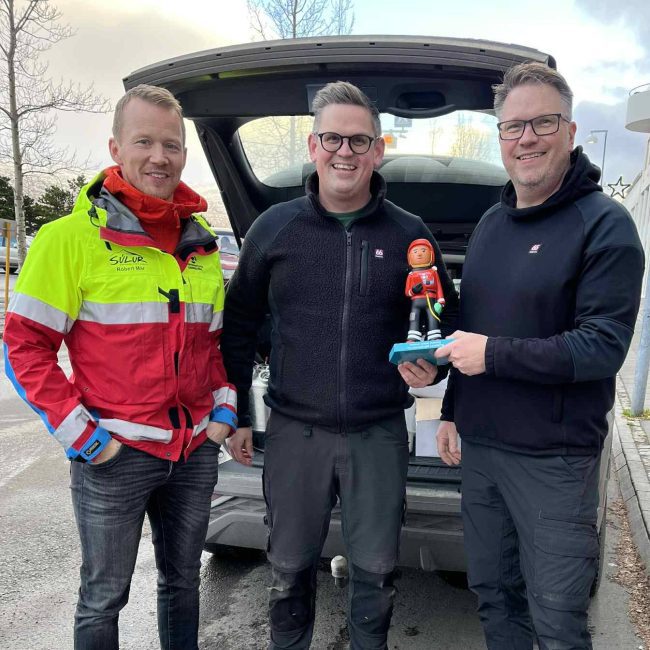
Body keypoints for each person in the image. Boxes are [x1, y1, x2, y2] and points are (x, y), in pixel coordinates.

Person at [221, 81, 458, 649]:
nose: (344, 151)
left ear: (378, 150)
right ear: (313, 145)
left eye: (359, 140)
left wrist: (434, 370)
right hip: (293, 432)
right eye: (333, 138)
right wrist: (237, 414)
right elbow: (238, 326)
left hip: (378, 433)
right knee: (287, 571)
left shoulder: (410, 235)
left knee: (375, 574)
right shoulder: (274, 229)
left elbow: (442, 325)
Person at [3, 85, 237, 650]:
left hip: (193, 450)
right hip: (114, 454)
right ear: (115, 148)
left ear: (184, 154)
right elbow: (24, 346)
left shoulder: (202, 245)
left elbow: (214, 345)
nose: (159, 156)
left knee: (182, 583)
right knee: (103, 597)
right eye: (144, 142)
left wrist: (224, 412)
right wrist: (85, 438)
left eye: (171, 145)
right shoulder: (69, 240)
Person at [435, 62, 644, 649]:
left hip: (554, 463)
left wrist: (493, 356)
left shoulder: (604, 226)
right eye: (513, 126)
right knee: (494, 597)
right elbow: (470, 329)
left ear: (570, 131)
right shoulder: (490, 224)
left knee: (556, 619)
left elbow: (601, 346)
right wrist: (451, 408)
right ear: (500, 136)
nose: (526, 138)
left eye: (542, 123)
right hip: (481, 452)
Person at [405, 238, 445, 341]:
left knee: (432, 317)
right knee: (414, 318)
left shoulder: (433, 272)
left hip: (431, 300)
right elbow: (407, 292)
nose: (419, 254)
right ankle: (413, 337)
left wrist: (441, 301)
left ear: (431, 254)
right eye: (415, 252)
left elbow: (438, 287)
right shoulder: (411, 275)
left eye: (423, 251)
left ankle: (434, 336)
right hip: (416, 302)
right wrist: (413, 291)